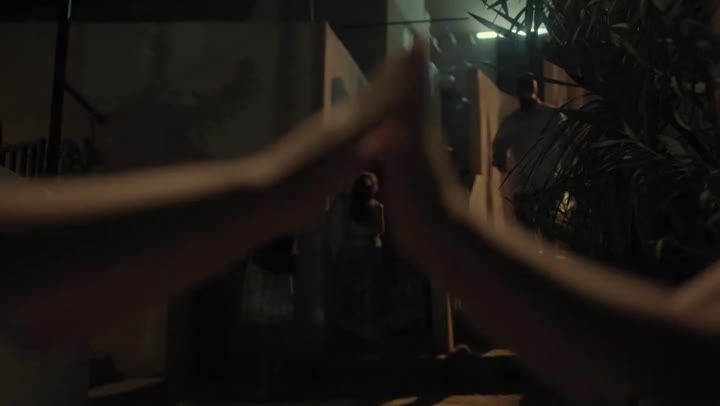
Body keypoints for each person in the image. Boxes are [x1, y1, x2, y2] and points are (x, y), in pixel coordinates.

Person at [0, 43, 425, 406]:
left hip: (275, 270)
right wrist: (269, 193)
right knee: (268, 331)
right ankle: (270, 378)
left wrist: (270, 195)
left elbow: (31, 269)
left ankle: (272, 378)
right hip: (273, 272)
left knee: (271, 332)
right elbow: (29, 266)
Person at [373, 45, 720, 405]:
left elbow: (678, 353)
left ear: (535, 89)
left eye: (528, 88)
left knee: (549, 250)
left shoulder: (553, 118)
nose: (526, 93)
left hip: (551, 191)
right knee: (532, 247)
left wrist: (447, 230)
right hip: (527, 193)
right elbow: (497, 154)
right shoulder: (513, 123)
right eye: (522, 89)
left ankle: (546, 347)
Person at [492, 74, 562, 217]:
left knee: (545, 227)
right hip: (527, 189)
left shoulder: (552, 116)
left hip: (548, 188)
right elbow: (499, 145)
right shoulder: (513, 121)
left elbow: (568, 144)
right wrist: (500, 159)